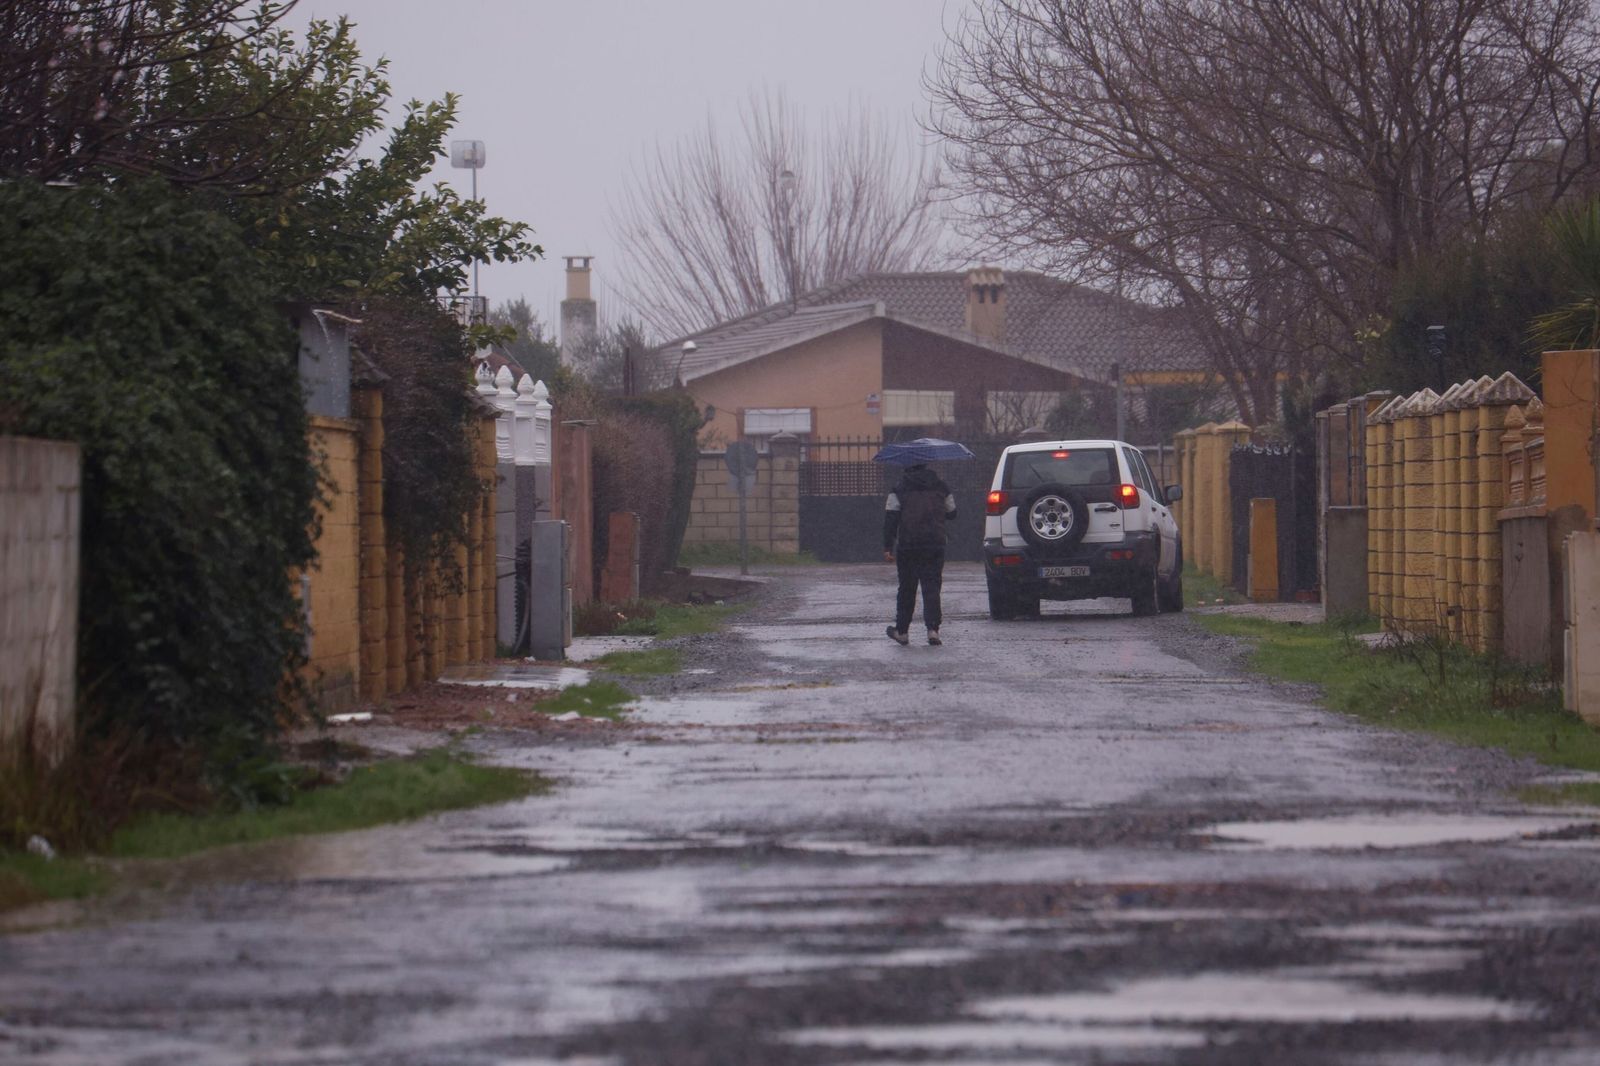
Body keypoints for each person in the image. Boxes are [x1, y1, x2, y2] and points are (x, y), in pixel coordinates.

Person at [882, 462, 957, 646]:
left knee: (907, 588)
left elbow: (891, 518)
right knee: (932, 586)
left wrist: (887, 546)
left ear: (907, 468)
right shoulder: (941, 486)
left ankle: (902, 631)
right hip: (935, 543)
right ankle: (933, 630)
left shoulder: (899, 488)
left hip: (909, 545)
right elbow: (953, 512)